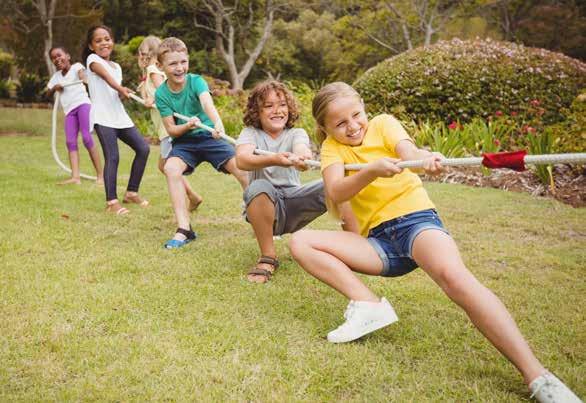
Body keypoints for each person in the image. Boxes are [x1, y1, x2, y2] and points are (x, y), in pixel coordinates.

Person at [288, 82, 581, 403]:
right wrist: (371, 171)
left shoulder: (384, 123)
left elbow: (408, 153)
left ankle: (538, 377)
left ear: (364, 109)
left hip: (415, 222)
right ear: (325, 127)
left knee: (456, 280)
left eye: (356, 116)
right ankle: (369, 305)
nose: (353, 126)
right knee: (301, 242)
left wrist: (422, 158)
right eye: (340, 123)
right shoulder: (333, 147)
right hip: (380, 244)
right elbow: (337, 191)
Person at [155, 37, 248, 249]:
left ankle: (255, 210)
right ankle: (184, 229)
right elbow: (171, 130)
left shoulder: (196, 81)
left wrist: (217, 123)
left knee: (242, 168)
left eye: (183, 62)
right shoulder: (161, 94)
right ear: (161, 67)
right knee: (170, 168)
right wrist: (187, 126)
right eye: (173, 64)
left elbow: (207, 102)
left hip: (209, 137)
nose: (180, 68)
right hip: (185, 141)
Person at [236, 80, 334, 283]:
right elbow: (242, 160)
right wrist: (274, 158)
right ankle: (268, 258)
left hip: (294, 205)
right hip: (264, 207)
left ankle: (354, 243)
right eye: (269, 106)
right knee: (258, 187)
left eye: (282, 105)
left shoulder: (296, 133)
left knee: (334, 183)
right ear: (257, 112)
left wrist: (301, 159)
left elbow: (301, 150)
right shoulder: (250, 134)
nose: (277, 111)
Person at [82, 25, 150, 215]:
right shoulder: (92, 60)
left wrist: (124, 93)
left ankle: (131, 193)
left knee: (143, 149)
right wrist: (121, 88)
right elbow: (104, 77)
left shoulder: (117, 67)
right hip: (103, 117)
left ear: (112, 41)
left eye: (107, 39)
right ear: (91, 46)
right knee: (113, 156)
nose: (104, 43)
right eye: (98, 40)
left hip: (119, 116)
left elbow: (114, 90)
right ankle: (112, 203)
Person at [137, 35, 203, 212]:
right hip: (163, 128)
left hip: (168, 127)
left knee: (169, 167)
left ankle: (192, 197)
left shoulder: (153, 68)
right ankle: (193, 196)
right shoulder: (153, 71)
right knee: (163, 165)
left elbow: (163, 92)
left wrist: (153, 98)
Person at [47, 46, 103, 185]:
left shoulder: (76, 66)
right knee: (70, 142)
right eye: (53, 58)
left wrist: (84, 78)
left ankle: (100, 176)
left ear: (68, 56)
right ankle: (75, 177)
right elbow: (46, 94)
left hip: (83, 105)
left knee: (86, 137)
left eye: (59, 55)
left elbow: (82, 75)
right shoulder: (56, 77)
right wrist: (55, 88)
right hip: (69, 112)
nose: (57, 59)